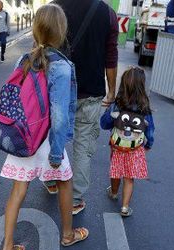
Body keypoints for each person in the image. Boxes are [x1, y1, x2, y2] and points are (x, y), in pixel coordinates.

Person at [0, 3, 88, 250]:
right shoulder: (62, 66)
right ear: (61, 31)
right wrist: (58, 152)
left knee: (18, 190)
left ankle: (7, 247)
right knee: (65, 182)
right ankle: (68, 234)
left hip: (24, 136)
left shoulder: (22, 60)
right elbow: (59, 115)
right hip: (48, 140)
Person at [50, 0, 119, 216]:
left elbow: (41, 49)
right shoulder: (107, 13)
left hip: (57, 91)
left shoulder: (54, 7)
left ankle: (51, 180)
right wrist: (111, 90)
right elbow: (111, 56)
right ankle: (75, 199)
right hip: (91, 91)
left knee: (53, 137)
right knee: (82, 147)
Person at [100, 66, 154, 217]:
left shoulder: (117, 104)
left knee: (116, 170)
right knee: (129, 177)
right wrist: (149, 144)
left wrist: (112, 115)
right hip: (135, 149)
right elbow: (150, 131)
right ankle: (124, 207)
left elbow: (104, 124)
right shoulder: (145, 109)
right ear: (142, 87)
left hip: (117, 147)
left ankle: (114, 192)